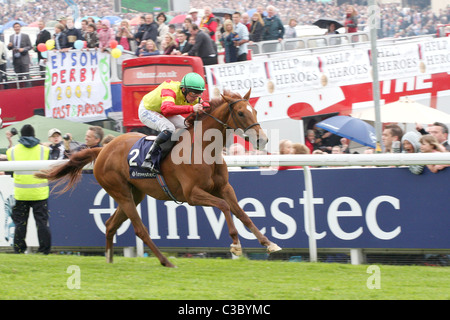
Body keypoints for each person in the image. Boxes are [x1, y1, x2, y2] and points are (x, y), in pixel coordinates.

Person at [138, 72, 207, 172]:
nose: (195, 97)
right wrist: (192, 108)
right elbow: (166, 109)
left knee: (188, 125)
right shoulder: (170, 89)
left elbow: (204, 104)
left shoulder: (192, 94)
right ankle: (149, 159)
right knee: (169, 128)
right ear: (184, 90)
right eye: (193, 94)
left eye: (199, 94)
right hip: (147, 110)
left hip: (162, 110)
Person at [6, 124, 51, 254]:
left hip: (21, 194)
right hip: (40, 194)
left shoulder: (12, 151)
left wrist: (10, 140)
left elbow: (10, 157)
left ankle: (19, 250)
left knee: (20, 224)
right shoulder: (44, 150)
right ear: (34, 135)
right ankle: (44, 251)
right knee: (42, 223)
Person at [7, 22, 32, 87]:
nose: (17, 28)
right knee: (18, 76)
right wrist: (9, 46)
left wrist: (23, 49)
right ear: (13, 28)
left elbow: (30, 46)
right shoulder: (11, 37)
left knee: (26, 76)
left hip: (24, 59)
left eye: (18, 26)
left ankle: (29, 89)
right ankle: (19, 89)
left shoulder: (25, 36)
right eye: (15, 27)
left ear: (20, 27)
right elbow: (9, 48)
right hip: (16, 59)